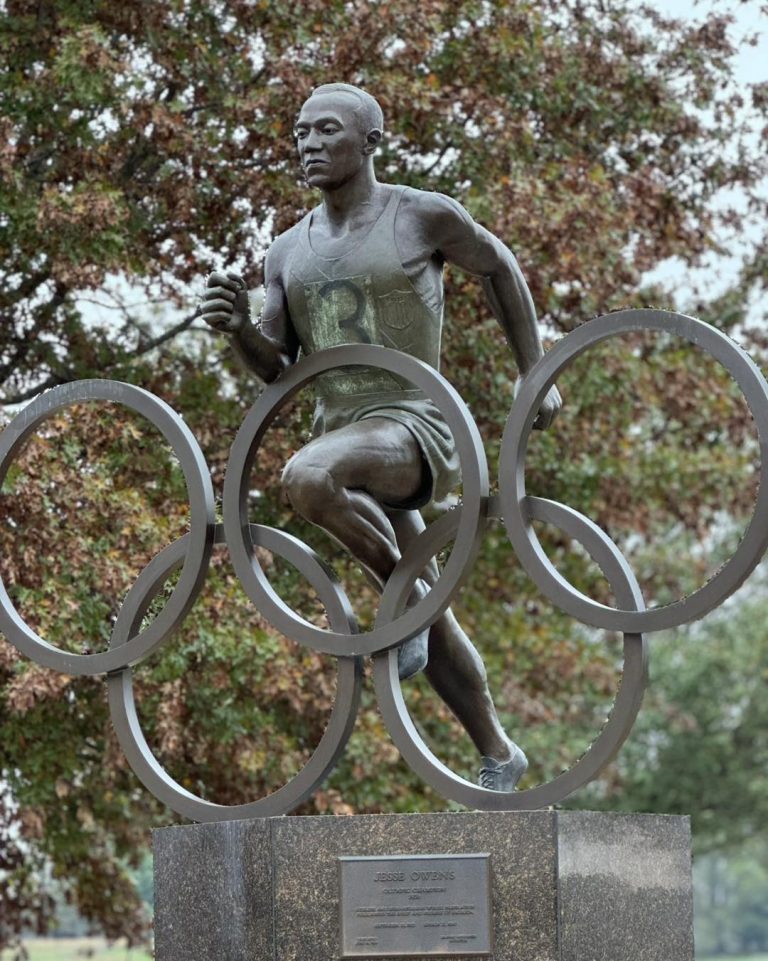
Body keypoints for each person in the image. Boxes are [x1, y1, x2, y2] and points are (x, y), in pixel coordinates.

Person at [200, 82, 561, 791]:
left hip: (417, 426)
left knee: (306, 480)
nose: (308, 145)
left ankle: (410, 597)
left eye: (326, 131)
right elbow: (277, 367)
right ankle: (496, 747)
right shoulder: (285, 253)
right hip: (343, 434)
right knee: (418, 598)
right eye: (300, 133)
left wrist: (535, 373)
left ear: (370, 141)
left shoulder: (421, 215)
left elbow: (501, 267)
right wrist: (240, 328)